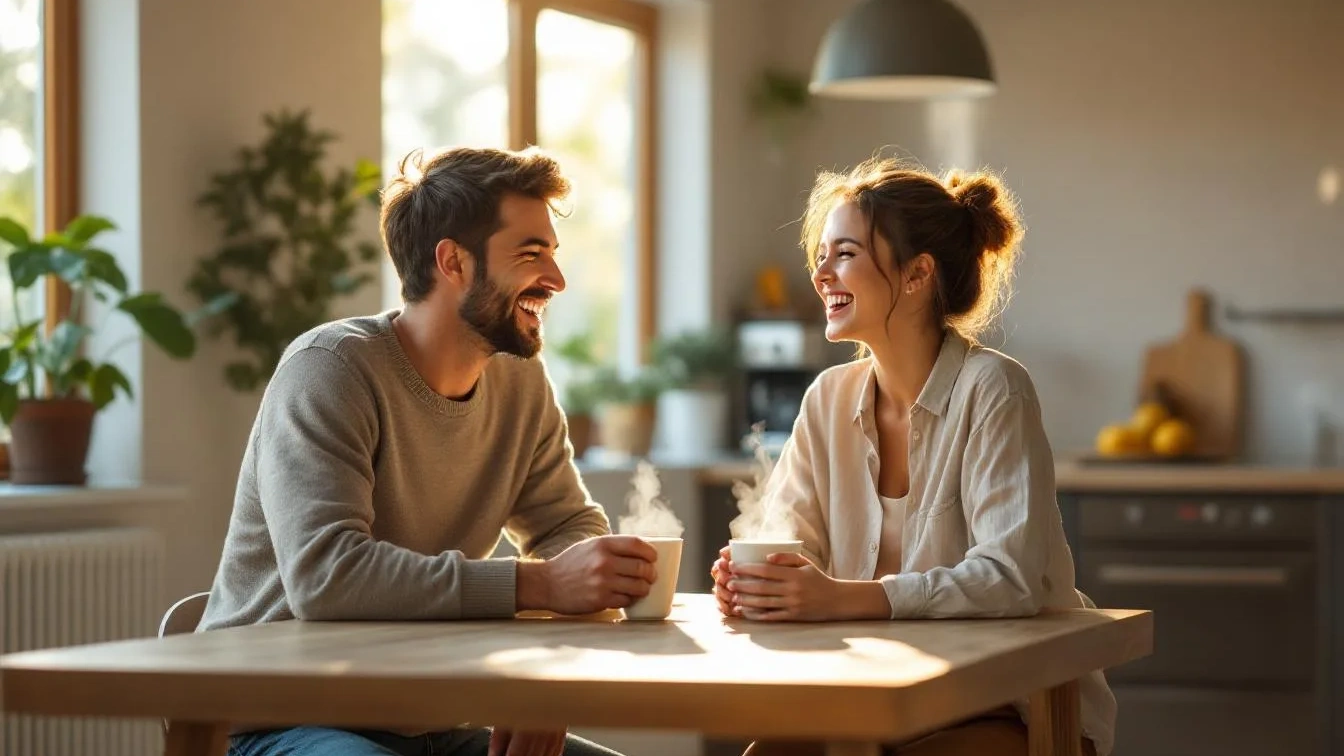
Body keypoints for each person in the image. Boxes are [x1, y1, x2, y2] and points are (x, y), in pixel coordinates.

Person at [199, 145, 659, 756]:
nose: (556, 279)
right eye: (531, 254)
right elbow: (327, 577)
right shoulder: (329, 370)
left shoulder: (520, 381)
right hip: (283, 719)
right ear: (453, 262)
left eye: (553, 252)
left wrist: (544, 678)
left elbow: (566, 526)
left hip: (431, 723)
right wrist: (542, 585)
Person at [709, 156, 1116, 756]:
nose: (821, 274)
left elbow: (1008, 579)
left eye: (845, 253)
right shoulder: (827, 399)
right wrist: (762, 584)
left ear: (917, 273)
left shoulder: (993, 389)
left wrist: (839, 597)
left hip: (1016, 707)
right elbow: (795, 550)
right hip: (879, 701)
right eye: (820, 255)